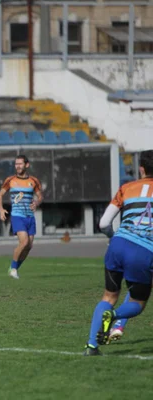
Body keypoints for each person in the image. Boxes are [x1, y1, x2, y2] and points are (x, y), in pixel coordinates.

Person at [84, 150, 153, 356]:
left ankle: (91, 346)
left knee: (109, 295)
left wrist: (113, 237)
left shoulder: (126, 188)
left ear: (141, 169)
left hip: (118, 244)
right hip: (144, 250)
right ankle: (114, 317)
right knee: (138, 302)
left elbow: (104, 223)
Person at [0, 155, 42, 279]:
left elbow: (39, 196)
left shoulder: (33, 181)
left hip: (30, 217)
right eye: (16, 164)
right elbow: (0, 195)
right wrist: (1, 210)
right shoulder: (10, 180)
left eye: (20, 164)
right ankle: (13, 269)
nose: (18, 166)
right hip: (17, 216)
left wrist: (37, 203)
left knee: (29, 246)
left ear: (26, 165)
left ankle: (14, 268)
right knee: (24, 241)